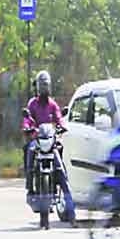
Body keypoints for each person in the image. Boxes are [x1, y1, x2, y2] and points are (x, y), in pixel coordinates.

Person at [22, 71, 75, 220]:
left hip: (50, 140)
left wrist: (62, 126)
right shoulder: (32, 104)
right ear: (38, 87)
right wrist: (27, 126)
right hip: (37, 139)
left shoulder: (53, 104)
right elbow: (28, 120)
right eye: (42, 85)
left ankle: (71, 210)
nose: (44, 88)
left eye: (46, 85)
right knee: (30, 150)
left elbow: (59, 118)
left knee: (61, 168)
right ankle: (29, 185)